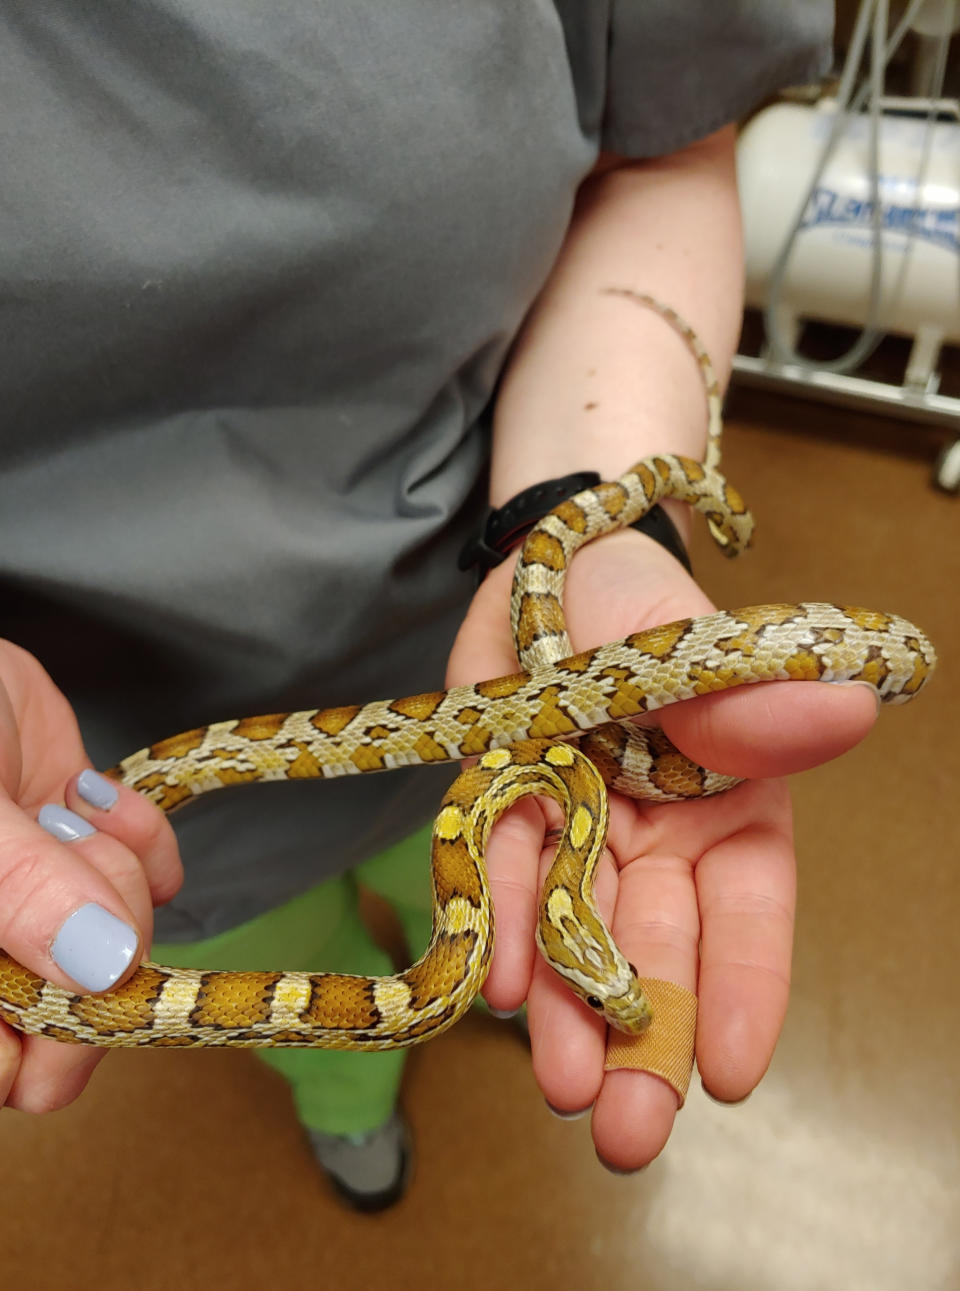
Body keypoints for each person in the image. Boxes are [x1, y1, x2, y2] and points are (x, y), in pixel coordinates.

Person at [0, 2, 876, 1210]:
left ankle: (512, 981)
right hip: (90, 793)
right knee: (291, 985)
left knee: (471, 915)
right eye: (618, 976)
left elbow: (665, 151)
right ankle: (350, 1102)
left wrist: (583, 518)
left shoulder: (556, 786)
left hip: (466, 672)